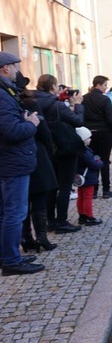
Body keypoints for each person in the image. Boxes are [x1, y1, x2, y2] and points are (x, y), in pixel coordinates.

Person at [0, 51, 44, 275]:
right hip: (12, 163)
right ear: (6, 69)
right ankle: (10, 260)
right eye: (15, 67)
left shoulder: (6, 92)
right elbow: (11, 131)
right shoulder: (2, 95)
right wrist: (32, 123)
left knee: (7, 213)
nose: (18, 71)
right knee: (14, 213)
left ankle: (8, 256)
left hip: (9, 161)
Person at [35, 74, 85, 234]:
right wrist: (77, 105)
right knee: (64, 187)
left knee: (51, 186)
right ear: (52, 87)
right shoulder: (57, 105)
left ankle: (51, 221)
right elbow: (78, 121)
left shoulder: (33, 102)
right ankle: (62, 221)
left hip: (47, 148)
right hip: (64, 148)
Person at [17, 72, 58, 253]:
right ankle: (41, 237)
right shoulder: (29, 103)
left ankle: (27, 239)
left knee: (23, 201)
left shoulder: (14, 103)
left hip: (20, 156)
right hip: (36, 153)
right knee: (39, 198)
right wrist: (49, 147)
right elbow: (44, 131)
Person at [83, 76, 112, 199]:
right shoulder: (104, 100)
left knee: (92, 161)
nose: (106, 88)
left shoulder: (84, 99)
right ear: (98, 85)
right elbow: (111, 119)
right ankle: (106, 190)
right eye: (105, 85)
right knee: (104, 161)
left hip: (89, 134)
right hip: (104, 133)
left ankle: (93, 190)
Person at [74, 127, 104, 226]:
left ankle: (82, 215)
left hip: (80, 178)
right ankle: (89, 216)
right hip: (88, 178)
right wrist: (100, 163)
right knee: (87, 197)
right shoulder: (85, 152)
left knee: (81, 197)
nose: (90, 139)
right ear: (83, 140)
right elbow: (93, 164)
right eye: (88, 138)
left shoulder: (78, 150)